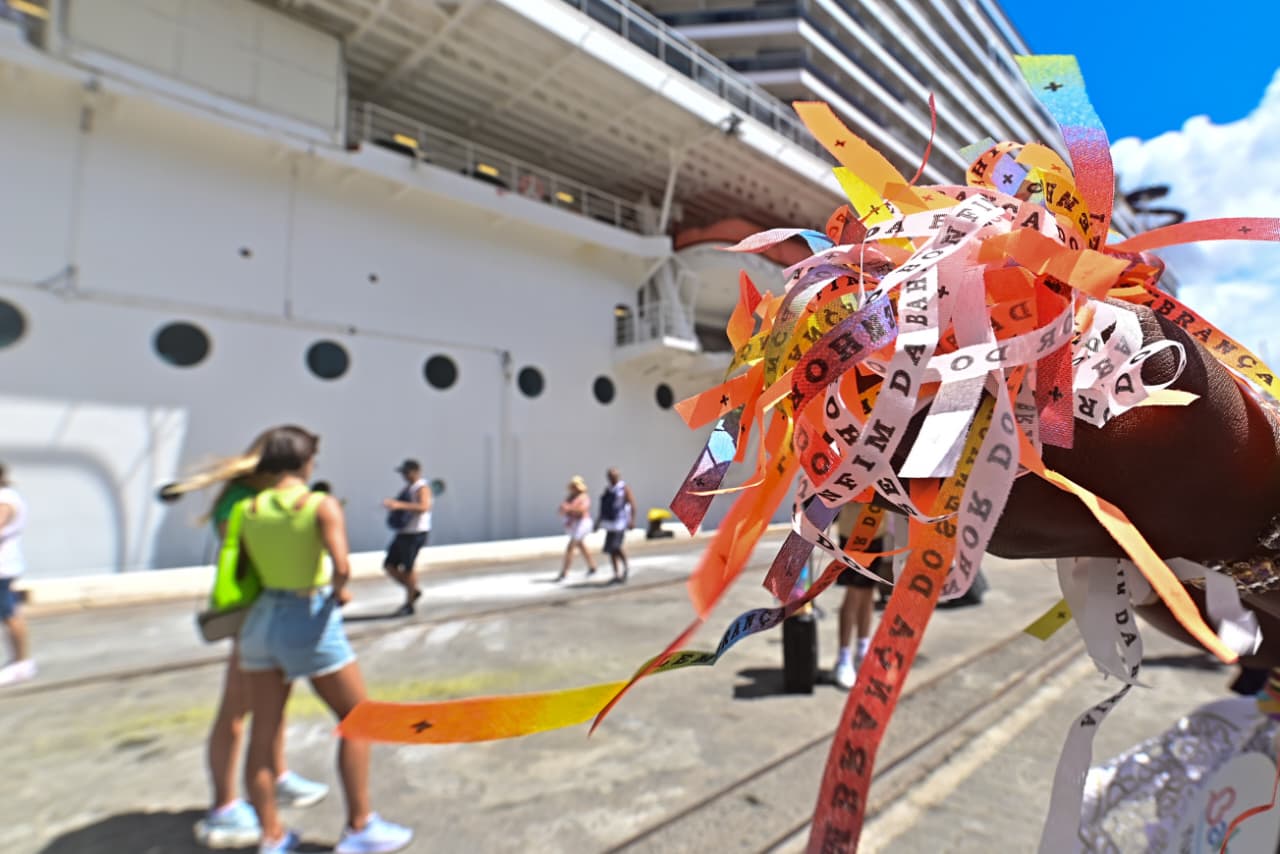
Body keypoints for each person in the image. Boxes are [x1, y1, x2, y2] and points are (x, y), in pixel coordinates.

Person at [236, 425, 413, 854]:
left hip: (261, 622)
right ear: (305, 461)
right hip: (305, 614)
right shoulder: (318, 504)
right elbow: (342, 564)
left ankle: (271, 837)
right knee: (358, 719)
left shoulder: (249, 508)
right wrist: (339, 590)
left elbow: (243, 568)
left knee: (264, 732)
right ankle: (359, 827)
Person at [171, 437, 330, 849]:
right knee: (235, 710)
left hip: (274, 611)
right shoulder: (242, 501)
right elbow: (246, 551)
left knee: (270, 706)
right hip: (252, 615)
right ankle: (224, 805)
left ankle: (276, 776)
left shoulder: (260, 495)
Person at [827, 503, 889, 690]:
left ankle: (863, 649)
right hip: (854, 530)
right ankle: (843, 656)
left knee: (868, 591)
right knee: (854, 592)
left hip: (877, 527)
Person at [381, 459, 432, 616]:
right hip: (404, 532)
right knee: (390, 565)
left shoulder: (422, 488)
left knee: (408, 568)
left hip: (415, 533)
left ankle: (409, 603)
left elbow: (424, 507)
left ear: (415, 472)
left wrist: (399, 505)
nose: (404, 476)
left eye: (406, 472)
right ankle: (413, 590)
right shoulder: (409, 488)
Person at [0, 464, 34, 687]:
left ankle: (21, 664)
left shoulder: (6, 498)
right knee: (9, 611)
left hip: (2, 566)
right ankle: (21, 663)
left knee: (9, 612)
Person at [596, 468, 637, 583]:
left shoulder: (623, 489)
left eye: (614, 476)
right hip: (610, 523)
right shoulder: (608, 490)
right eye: (610, 476)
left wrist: (632, 520)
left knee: (616, 546)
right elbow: (603, 507)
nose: (612, 478)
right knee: (611, 549)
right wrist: (598, 522)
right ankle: (616, 573)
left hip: (620, 523)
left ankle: (626, 566)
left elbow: (632, 504)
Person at [557, 476, 596, 581]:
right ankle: (592, 566)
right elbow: (561, 510)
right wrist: (564, 509)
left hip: (582, 523)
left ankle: (564, 572)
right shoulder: (569, 497)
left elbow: (582, 510)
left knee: (571, 546)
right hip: (574, 523)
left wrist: (569, 508)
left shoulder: (583, 497)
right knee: (581, 545)